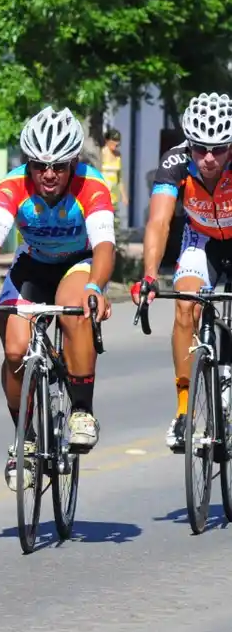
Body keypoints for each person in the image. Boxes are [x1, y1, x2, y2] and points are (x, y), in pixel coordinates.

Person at [0, 106, 115, 485]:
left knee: (75, 309)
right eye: (39, 165)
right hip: (32, 263)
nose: (48, 174)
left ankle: (81, 409)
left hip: (79, 263)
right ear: (27, 164)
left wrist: (96, 286)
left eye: (59, 166)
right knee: (15, 351)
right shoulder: (12, 187)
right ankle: (25, 440)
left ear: (73, 163)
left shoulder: (91, 186)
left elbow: (105, 247)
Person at [133, 92, 232, 452]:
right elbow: (158, 222)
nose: (208, 158)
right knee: (185, 305)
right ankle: (184, 409)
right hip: (200, 238)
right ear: (189, 144)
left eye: (219, 149)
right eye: (201, 148)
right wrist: (148, 275)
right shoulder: (175, 161)